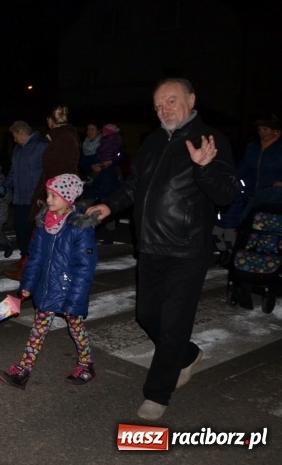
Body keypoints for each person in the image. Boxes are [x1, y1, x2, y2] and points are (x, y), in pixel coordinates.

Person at [87, 78, 237, 421]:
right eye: (158, 105)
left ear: (191, 99)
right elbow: (135, 185)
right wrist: (110, 206)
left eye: (171, 101)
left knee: (173, 323)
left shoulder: (210, 140)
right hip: (151, 245)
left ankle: (158, 393)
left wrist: (205, 168)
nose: (164, 109)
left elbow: (227, 194)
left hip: (187, 248)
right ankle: (186, 355)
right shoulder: (153, 141)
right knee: (147, 315)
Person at [0, 174, 98, 389]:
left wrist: (75, 298)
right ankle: (23, 371)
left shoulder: (79, 228)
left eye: (54, 196)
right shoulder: (44, 224)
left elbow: (85, 267)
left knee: (76, 328)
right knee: (38, 330)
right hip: (46, 289)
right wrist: (27, 286)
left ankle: (86, 364)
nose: (48, 200)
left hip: (69, 289)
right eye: (48, 195)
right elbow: (35, 258)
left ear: (68, 198)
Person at [2, 121, 48, 280]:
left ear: (22, 133)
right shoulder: (18, 149)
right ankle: (24, 260)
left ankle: (31, 268)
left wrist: (43, 194)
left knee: (32, 233)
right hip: (20, 198)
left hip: (35, 199)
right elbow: (14, 171)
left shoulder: (40, 146)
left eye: (15, 136)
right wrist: (5, 185)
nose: (14, 140)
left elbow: (47, 171)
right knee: (20, 229)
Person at [33, 105, 80, 208]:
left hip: (60, 194)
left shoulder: (65, 139)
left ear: (50, 120)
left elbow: (57, 170)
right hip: (55, 192)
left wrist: (48, 194)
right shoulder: (58, 138)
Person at [236, 113, 282, 206]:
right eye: (259, 130)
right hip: (250, 197)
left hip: (275, 198)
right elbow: (243, 167)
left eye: (265, 129)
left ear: (275, 131)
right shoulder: (252, 147)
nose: (262, 133)